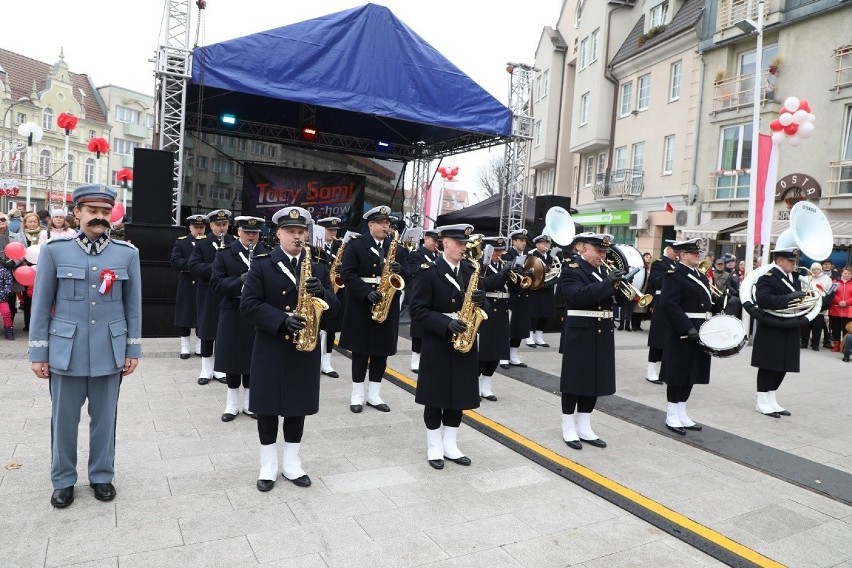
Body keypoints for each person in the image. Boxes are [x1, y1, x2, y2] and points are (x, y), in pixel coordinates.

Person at [28, 183, 142, 508]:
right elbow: (41, 306)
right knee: (63, 421)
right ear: (76, 212)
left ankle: (102, 475)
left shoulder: (127, 254)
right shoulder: (55, 252)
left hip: (110, 352)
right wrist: (39, 352)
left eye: (105, 212)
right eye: (92, 211)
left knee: (105, 420)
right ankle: (63, 480)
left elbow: (132, 308)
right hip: (67, 353)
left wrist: (132, 349)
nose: (99, 217)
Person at [240, 206, 339, 491]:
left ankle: (293, 464)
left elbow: (335, 310)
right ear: (279, 234)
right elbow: (248, 305)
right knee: (268, 409)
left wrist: (324, 295)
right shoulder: (261, 263)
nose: (297, 236)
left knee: (298, 408)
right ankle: (268, 466)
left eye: (301, 232)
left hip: (304, 350)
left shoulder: (318, 266)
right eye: (291, 232)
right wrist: (282, 320)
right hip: (271, 346)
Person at [409, 223, 485, 469]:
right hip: (438, 341)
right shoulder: (428, 271)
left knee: (459, 396)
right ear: (445, 243)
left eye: (465, 243)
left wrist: (479, 302)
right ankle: (434, 446)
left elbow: (475, 302)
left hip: (465, 340)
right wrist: (444, 324)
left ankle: (450, 444)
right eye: (459, 243)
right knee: (435, 397)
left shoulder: (471, 269)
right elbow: (417, 310)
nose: (464, 248)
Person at [557, 233, 624, 450]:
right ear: (584, 249)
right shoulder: (571, 270)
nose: (602, 255)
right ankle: (568, 425)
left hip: (602, 331)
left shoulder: (604, 272)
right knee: (575, 380)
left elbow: (617, 300)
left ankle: (584, 425)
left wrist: (623, 283)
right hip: (580, 332)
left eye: (604, 251)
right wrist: (608, 283)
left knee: (595, 381)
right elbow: (578, 296)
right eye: (599, 251)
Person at [338, 205, 404, 413]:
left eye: (389, 224)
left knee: (381, 352)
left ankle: (374, 394)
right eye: (383, 223)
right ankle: (357, 395)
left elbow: (410, 272)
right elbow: (347, 273)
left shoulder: (397, 247)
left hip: (387, 304)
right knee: (360, 352)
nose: (387, 227)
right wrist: (365, 292)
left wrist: (401, 270)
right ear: (371, 225)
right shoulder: (357, 245)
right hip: (362, 306)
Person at [212, 216, 268, 421]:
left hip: (256, 314)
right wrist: (238, 281)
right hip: (233, 312)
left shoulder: (266, 254)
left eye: (255, 233)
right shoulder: (225, 254)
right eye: (247, 232)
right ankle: (231, 404)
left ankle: (250, 403)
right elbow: (216, 283)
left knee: (253, 358)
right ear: (238, 232)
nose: (251, 236)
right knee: (232, 358)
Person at [659, 239, 716, 434]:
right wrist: (685, 328)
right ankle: (671, 414)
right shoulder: (674, 275)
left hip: (701, 329)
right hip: (682, 331)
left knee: (692, 372)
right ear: (682, 255)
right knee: (678, 373)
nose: (698, 255)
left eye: (698, 252)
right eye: (693, 252)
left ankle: (682, 412)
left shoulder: (700, 275)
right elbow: (669, 304)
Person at [751, 247, 805, 418]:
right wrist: (788, 298)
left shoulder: (794, 279)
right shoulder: (767, 278)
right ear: (779, 260)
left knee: (784, 365)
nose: (793, 264)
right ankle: (761, 400)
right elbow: (763, 300)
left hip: (789, 325)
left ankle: (771, 398)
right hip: (772, 326)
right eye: (790, 261)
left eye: (794, 261)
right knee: (769, 365)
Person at [188, 209, 234, 385]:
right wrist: (217, 268)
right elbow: (194, 267)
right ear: (211, 226)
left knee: (224, 330)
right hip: (207, 292)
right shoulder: (202, 243)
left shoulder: (233, 243)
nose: (222, 228)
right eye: (218, 225)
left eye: (225, 224)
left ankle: (220, 368)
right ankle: (206, 369)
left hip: (227, 291)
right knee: (207, 330)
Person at [477, 236, 513, 401]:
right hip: (487, 310)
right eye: (495, 250)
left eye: (500, 250)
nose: (499, 254)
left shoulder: (503, 265)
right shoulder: (481, 265)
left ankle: (487, 385)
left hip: (502, 311)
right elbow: (483, 284)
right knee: (484, 350)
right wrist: (503, 274)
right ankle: (476, 385)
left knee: (497, 349)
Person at [170, 215, 206, 359]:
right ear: (190, 227)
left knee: (202, 315)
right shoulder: (182, 243)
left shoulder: (208, 243)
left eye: (201, 227)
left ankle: (199, 345)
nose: (199, 230)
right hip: (187, 282)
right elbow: (175, 261)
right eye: (196, 227)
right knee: (184, 315)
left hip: (203, 283)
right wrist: (195, 265)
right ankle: (185, 346)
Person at [405, 228, 439, 373]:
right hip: (421, 294)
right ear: (426, 239)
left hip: (436, 296)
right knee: (418, 329)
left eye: (438, 241)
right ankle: (415, 359)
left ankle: (429, 358)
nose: (436, 244)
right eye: (433, 241)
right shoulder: (416, 254)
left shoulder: (438, 255)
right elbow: (415, 271)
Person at [645, 246, 677, 384]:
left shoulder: (677, 265)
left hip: (675, 303)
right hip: (661, 302)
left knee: (670, 339)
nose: (677, 254)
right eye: (675, 251)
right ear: (668, 250)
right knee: (658, 338)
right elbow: (655, 281)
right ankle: (651, 371)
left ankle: (664, 371)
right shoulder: (659, 263)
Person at [316, 216, 343, 378]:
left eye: (334, 230)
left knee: (331, 327)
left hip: (334, 291)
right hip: (320, 289)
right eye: (329, 230)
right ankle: (316, 359)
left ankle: (327, 362)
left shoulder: (340, 246)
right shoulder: (315, 246)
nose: (332, 233)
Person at [501, 229, 532, 368]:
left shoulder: (528, 257)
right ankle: (503, 356)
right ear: (514, 241)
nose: (524, 243)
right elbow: (505, 277)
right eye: (521, 240)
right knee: (508, 327)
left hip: (524, 295)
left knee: (519, 326)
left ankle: (513, 355)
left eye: (525, 241)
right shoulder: (507, 256)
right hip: (511, 295)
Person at [527, 234, 556, 346]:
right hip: (535, 288)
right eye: (544, 243)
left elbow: (557, 270)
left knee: (545, 313)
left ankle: (539, 336)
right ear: (537, 244)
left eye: (547, 244)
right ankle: (529, 336)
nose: (546, 246)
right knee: (533, 313)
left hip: (548, 288)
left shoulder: (552, 256)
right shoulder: (532, 255)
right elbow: (529, 270)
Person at [0, 212, 26, 336]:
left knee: (10, 300)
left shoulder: (15, 236)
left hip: (10, 272)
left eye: (2, 219)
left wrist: (14, 262)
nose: (0, 222)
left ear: (7, 221)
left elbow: (22, 252)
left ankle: (9, 326)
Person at [801, 262, 832, 351]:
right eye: (813, 269)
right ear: (811, 270)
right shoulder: (806, 278)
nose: (815, 271)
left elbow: (829, 292)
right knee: (806, 325)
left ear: (821, 269)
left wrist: (824, 301)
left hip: (819, 305)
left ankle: (815, 344)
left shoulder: (827, 279)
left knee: (817, 326)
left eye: (818, 269)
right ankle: (804, 342)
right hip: (808, 304)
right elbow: (802, 289)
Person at [828, 267, 852, 352]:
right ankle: (836, 346)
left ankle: (845, 346)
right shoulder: (835, 283)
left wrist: (846, 302)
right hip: (836, 309)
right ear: (842, 273)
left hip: (848, 311)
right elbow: (831, 294)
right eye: (845, 273)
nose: (847, 275)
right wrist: (839, 301)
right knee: (836, 329)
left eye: (849, 274)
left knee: (847, 330)